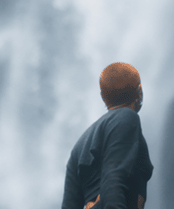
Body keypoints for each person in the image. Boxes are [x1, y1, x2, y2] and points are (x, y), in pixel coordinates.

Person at [62, 62, 153, 209]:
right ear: (140, 92)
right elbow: (113, 181)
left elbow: (69, 205)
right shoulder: (127, 117)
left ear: (103, 96)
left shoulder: (80, 143)